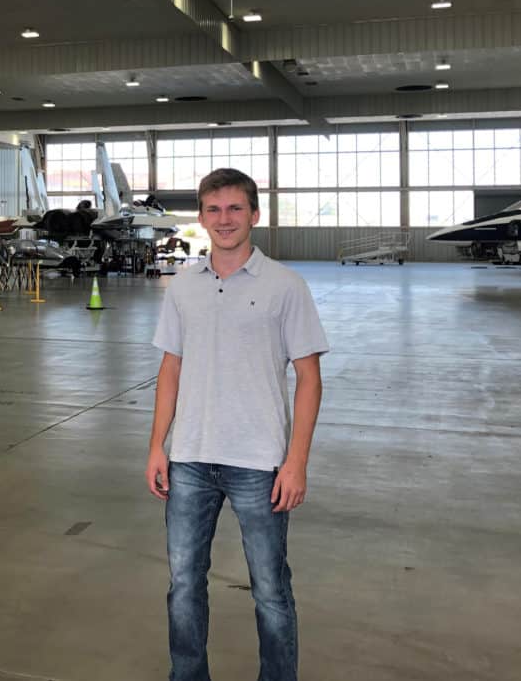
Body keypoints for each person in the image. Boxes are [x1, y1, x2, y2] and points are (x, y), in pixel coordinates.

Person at [146, 168, 329, 681]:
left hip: (260, 464)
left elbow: (309, 379)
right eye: (213, 209)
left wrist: (296, 463)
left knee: (271, 589)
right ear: (201, 218)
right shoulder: (183, 286)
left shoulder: (286, 286)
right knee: (184, 583)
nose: (224, 219)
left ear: (254, 214)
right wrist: (158, 447)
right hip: (189, 459)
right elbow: (170, 369)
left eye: (234, 208)